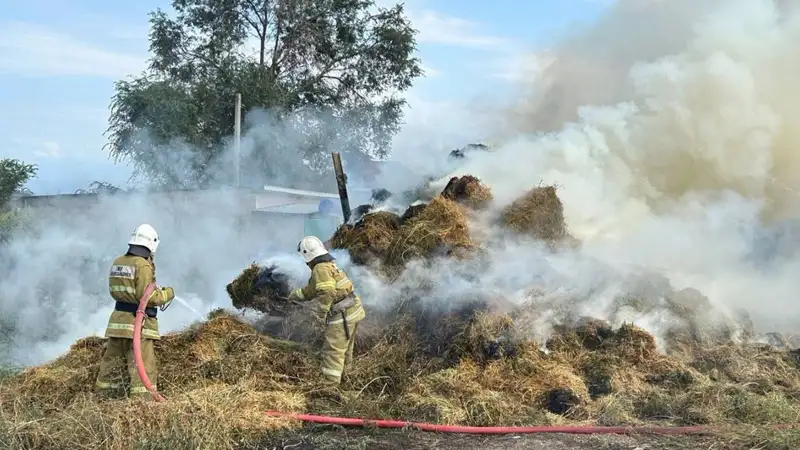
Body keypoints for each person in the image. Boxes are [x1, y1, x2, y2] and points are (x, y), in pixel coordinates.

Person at [94, 224, 176, 400]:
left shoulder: (118, 262)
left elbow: (120, 291)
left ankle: (103, 400)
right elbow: (148, 297)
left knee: (112, 365)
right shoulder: (143, 265)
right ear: (152, 245)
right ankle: (142, 407)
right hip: (138, 327)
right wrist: (169, 293)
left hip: (118, 324)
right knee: (142, 368)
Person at [288, 236, 365, 384]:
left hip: (342, 315)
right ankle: (347, 379)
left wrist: (320, 313)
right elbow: (312, 290)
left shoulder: (320, 268)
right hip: (353, 309)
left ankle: (330, 387)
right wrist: (295, 295)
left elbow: (327, 292)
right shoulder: (328, 264)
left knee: (333, 352)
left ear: (307, 255)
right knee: (345, 350)